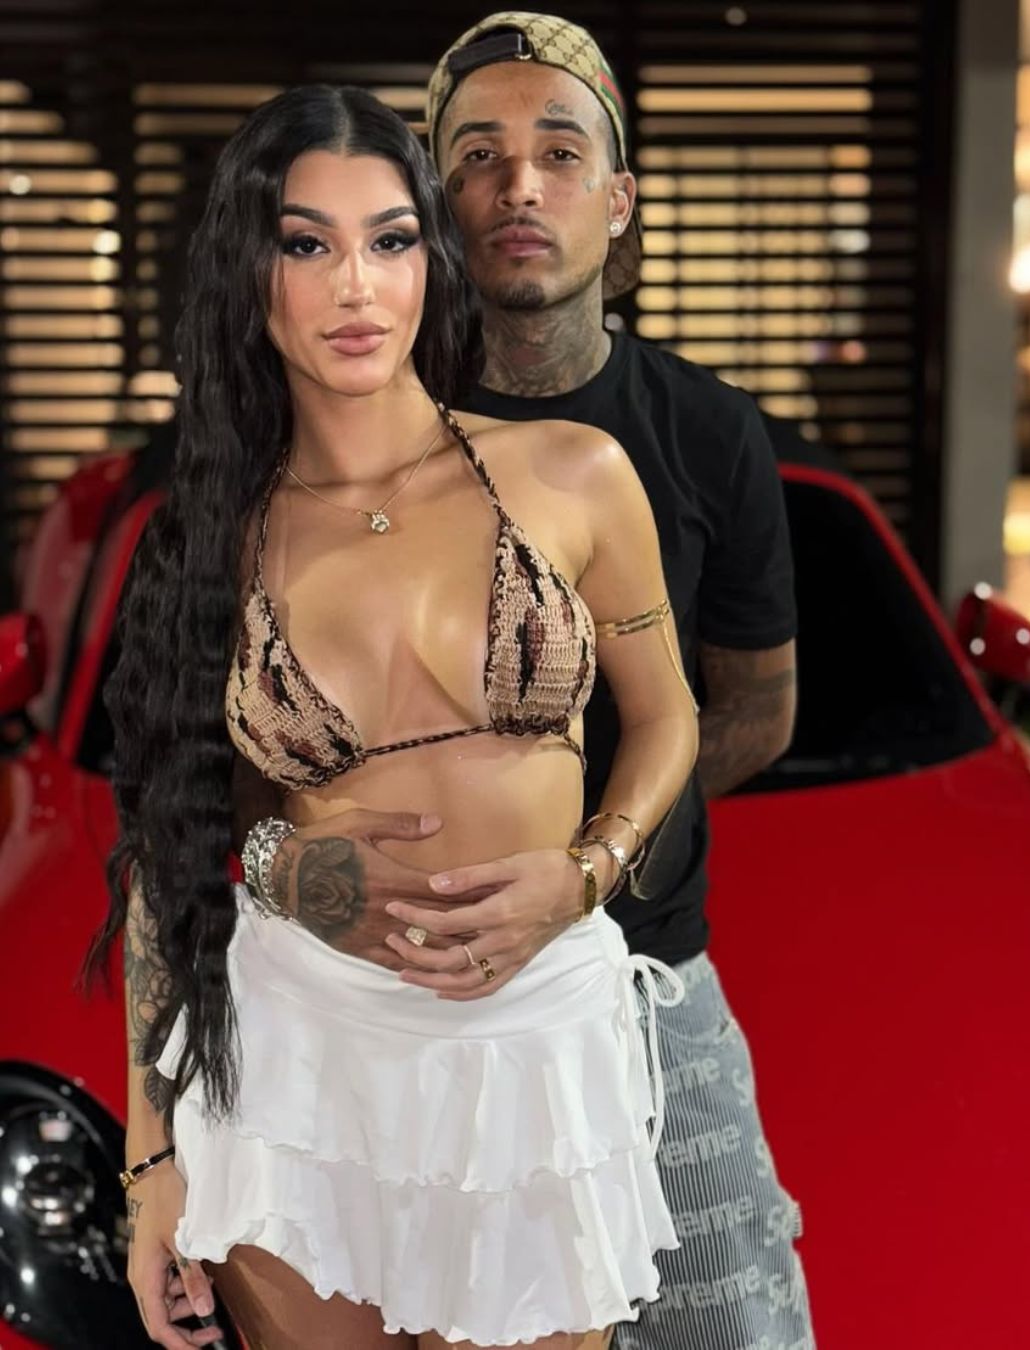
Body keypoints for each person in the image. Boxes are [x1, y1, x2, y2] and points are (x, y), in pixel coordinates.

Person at [95, 84, 700, 1350]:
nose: (356, 286)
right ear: (249, 274)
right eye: (306, 244)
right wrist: (153, 1164)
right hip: (298, 1057)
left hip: (533, 1049)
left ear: (434, 258)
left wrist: (585, 875)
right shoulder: (212, 539)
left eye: (389, 239)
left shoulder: (572, 474)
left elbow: (666, 723)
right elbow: (177, 846)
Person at [243, 14, 814, 1349]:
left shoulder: (708, 432)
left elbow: (752, 706)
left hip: (643, 961)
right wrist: (322, 861)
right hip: (369, 992)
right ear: (433, 208)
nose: (519, 187)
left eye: (560, 154)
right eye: (477, 156)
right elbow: (223, 758)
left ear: (619, 201)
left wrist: (577, 849)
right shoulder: (343, 422)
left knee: (730, 1322)